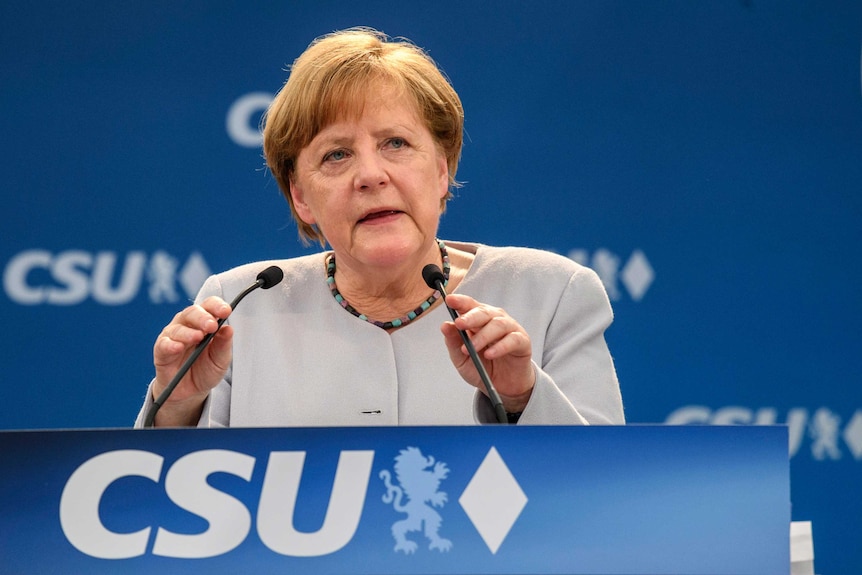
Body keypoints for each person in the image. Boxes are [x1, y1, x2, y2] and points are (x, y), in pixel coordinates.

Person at [135, 27, 624, 428]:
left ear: (441, 171)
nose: (370, 175)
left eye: (395, 143)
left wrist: (523, 398)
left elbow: (603, 499)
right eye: (336, 155)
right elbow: (160, 518)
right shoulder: (237, 306)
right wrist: (177, 405)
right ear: (301, 197)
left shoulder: (552, 293)